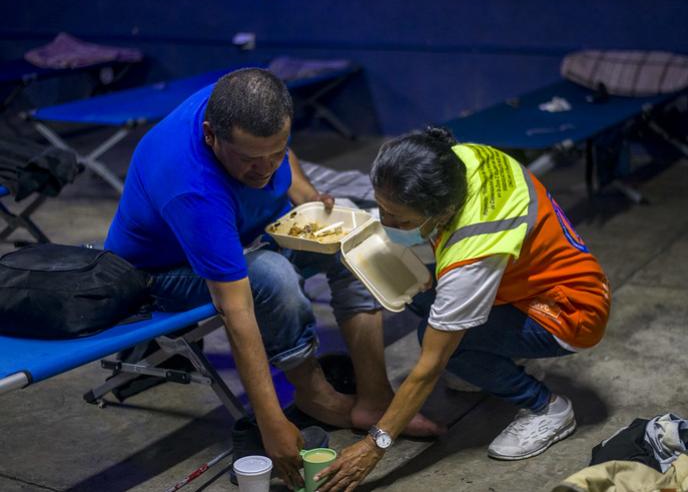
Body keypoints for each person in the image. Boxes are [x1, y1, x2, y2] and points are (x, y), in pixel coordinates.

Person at [104, 68, 441, 489]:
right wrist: (271, 422)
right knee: (270, 275)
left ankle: (373, 398)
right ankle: (313, 395)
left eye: (276, 152)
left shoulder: (242, 102)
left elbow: (275, 149)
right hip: (160, 274)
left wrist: (305, 193)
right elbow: (238, 310)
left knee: (348, 238)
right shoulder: (193, 191)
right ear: (211, 135)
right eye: (249, 159)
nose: (265, 169)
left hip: (243, 235)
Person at [317, 127, 611, 490]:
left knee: (444, 346)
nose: (387, 224)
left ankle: (547, 407)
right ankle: (504, 357)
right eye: (383, 208)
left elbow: (428, 368)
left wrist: (374, 445)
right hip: (528, 281)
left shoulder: (472, 251)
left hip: (568, 313)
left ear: (446, 210)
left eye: (402, 220)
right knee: (410, 283)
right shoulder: (460, 158)